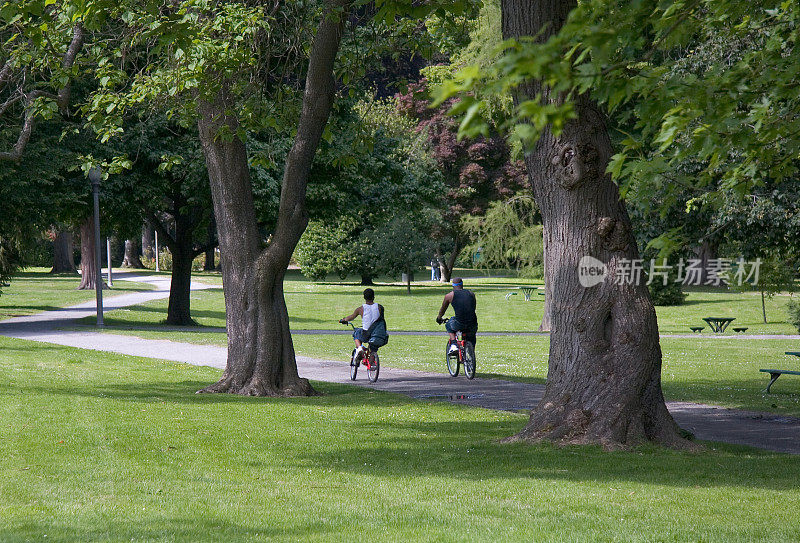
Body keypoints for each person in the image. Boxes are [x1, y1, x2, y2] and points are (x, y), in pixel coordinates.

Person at [339, 288, 388, 361]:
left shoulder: (360, 309)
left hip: (366, 334)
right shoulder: (380, 307)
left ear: (364, 297)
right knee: (373, 348)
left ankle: (359, 348)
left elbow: (352, 317)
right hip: (378, 334)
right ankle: (372, 363)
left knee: (357, 332)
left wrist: (343, 320)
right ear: (373, 297)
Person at [435, 277, 477, 353]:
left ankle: (454, 344)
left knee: (448, 325)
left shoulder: (449, 296)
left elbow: (442, 310)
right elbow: (473, 308)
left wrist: (439, 318)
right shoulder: (471, 294)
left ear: (453, 285)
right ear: (462, 285)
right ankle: (471, 353)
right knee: (471, 336)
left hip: (459, 323)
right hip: (472, 323)